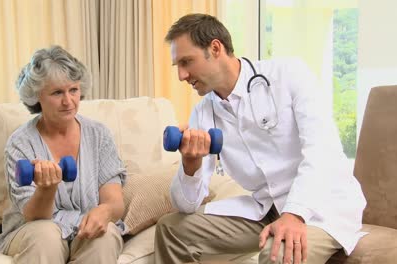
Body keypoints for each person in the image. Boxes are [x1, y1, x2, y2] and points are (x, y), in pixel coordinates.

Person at [154, 13, 366, 264]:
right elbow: (186, 206)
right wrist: (190, 165)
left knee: (277, 255)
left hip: (321, 207)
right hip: (267, 209)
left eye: (187, 62)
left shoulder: (289, 74)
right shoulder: (203, 112)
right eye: (177, 66)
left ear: (215, 48)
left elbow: (322, 151)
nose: (181, 75)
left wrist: (294, 214)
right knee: (171, 229)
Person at [0, 45, 126, 264]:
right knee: (47, 236)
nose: (68, 101)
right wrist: (47, 187)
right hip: (33, 227)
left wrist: (106, 211)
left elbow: (115, 201)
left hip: (83, 227)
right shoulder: (20, 143)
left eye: (73, 90)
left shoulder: (99, 135)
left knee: (107, 234)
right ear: (37, 97)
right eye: (57, 93)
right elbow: (33, 216)